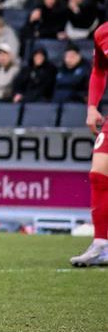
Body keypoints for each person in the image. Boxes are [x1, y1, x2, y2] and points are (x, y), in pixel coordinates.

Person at [71, 22, 108, 266]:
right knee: (98, 174)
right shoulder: (103, 32)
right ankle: (102, 245)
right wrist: (92, 106)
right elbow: (99, 70)